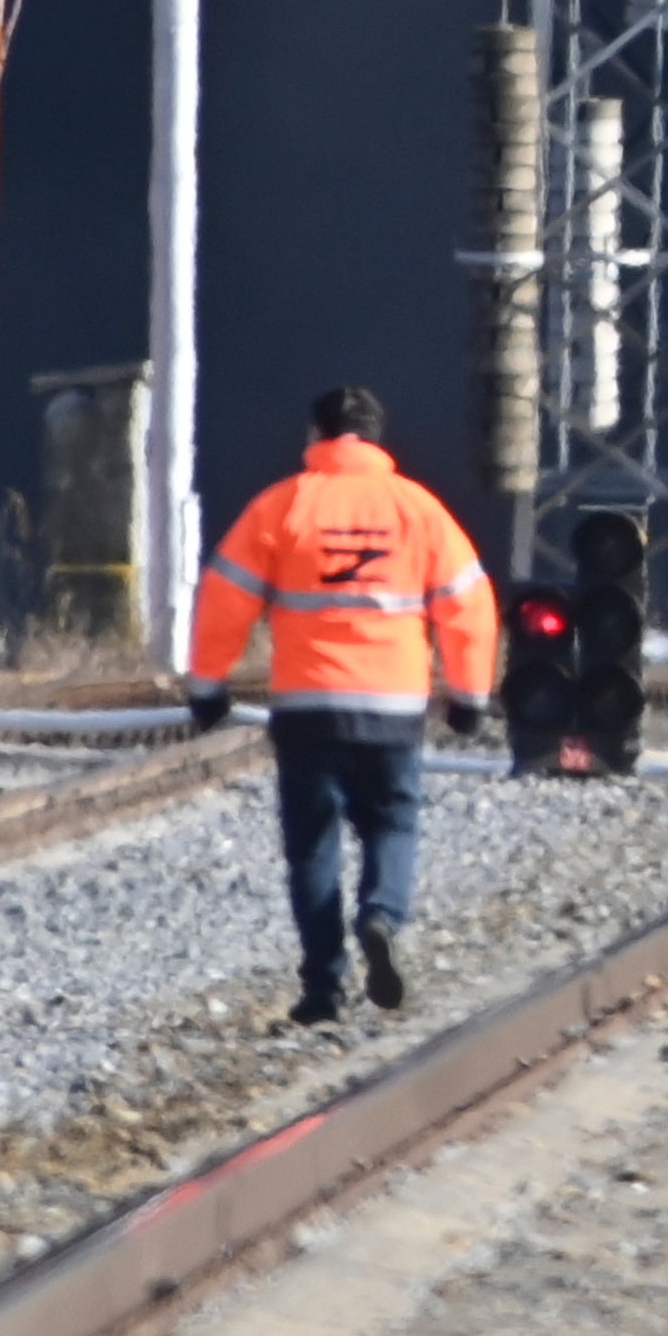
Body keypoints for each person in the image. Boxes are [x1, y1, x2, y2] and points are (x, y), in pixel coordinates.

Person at [183, 388, 499, 1027]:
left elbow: (225, 596)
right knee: (393, 822)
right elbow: (467, 606)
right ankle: (381, 915)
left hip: (307, 706)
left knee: (313, 846)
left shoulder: (284, 504)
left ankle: (323, 987)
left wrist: (207, 685)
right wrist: (469, 697)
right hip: (392, 706)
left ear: (316, 435)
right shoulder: (418, 509)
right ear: (378, 440)